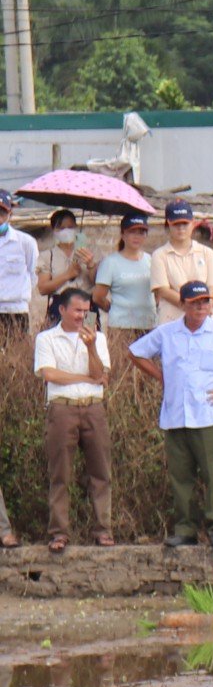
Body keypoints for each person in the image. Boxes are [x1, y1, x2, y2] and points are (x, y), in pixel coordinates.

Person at [127, 280, 213, 547]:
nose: (201, 307)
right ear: (183, 305)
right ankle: (185, 529)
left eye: (205, 302)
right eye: (195, 303)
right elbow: (136, 352)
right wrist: (160, 376)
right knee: (181, 476)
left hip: (209, 414)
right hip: (175, 413)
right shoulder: (167, 333)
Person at [34, 286, 114, 550]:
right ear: (62, 310)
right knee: (61, 473)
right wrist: (85, 378)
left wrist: (91, 349)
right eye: (77, 310)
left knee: (100, 471)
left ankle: (103, 530)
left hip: (93, 408)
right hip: (62, 408)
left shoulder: (97, 338)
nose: (82, 316)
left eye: (86, 310)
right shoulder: (46, 339)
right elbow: (50, 375)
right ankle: (59, 532)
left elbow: (101, 374)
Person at [147, 199, 213, 326]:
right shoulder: (159, 255)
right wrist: (191, 307)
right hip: (171, 320)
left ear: (193, 223)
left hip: (204, 320)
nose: (181, 228)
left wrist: (202, 309)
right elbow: (163, 290)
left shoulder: (207, 253)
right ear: (168, 224)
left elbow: (212, 288)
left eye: (185, 224)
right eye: (176, 224)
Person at [93, 213, 158, 348]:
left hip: (148, 324)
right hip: (121, 326)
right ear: (123, 234)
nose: (136, 236)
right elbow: (98, 296)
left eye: (141, 232)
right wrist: (114, 308)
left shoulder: (151, 260)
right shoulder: (110, 262)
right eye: (132, 232)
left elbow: (158, 290)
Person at [35, 208, 94, 324]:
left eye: (70, 227)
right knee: (57, 339)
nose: (66, 231)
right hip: (59, 305)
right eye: (61, 228)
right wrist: (68, 274)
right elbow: (43, 288)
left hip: (87, 304)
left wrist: (91, 265)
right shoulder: (47, 256)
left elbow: (97, 282)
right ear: (54, 230)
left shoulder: (89, 251)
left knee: (88, 337)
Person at [0, 193, 36, 336]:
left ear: (10, 214)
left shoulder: (25, 242)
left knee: (15, 353)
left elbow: (33, 274)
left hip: (16, 310)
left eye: (2, 213)